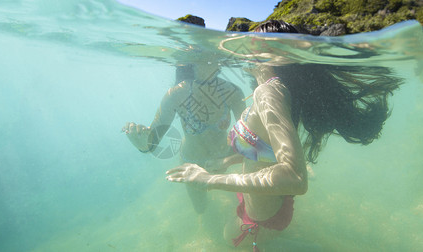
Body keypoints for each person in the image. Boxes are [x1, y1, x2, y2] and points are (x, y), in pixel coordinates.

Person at [166, 20, 403, 250]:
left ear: (273, 55)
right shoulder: (277, 89)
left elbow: (295, 177)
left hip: (260, 217)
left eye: (253, 43)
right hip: (267, 199)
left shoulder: (268, 92)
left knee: (227, 240)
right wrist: (227, 161)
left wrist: (207, 180)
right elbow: (267, 148)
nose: (245, 50)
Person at [123, 61, 246, 214]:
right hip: (192, 164)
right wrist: (142, 144)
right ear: (191, 64)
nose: (208, 60)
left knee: (237, 207)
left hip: (224, 159)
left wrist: (228, 161)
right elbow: (151, 144)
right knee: (201, 209)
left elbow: (250, 140)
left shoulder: (232, 92)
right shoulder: (176, 94)